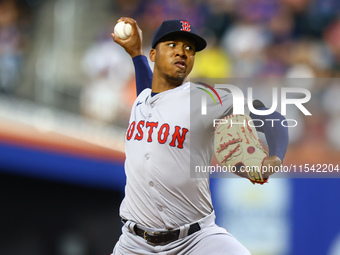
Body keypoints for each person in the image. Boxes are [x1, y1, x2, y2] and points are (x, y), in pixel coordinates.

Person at [111, 17, 288, 254]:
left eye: (189, 49)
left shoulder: (205, 99)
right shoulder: (142, 101)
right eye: (172, 45)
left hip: (194, 241)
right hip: (134, 244)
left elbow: (273, 117)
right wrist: (135, 54)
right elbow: (148, 88)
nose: (182, 53)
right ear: (153, 55)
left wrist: (275, 157)